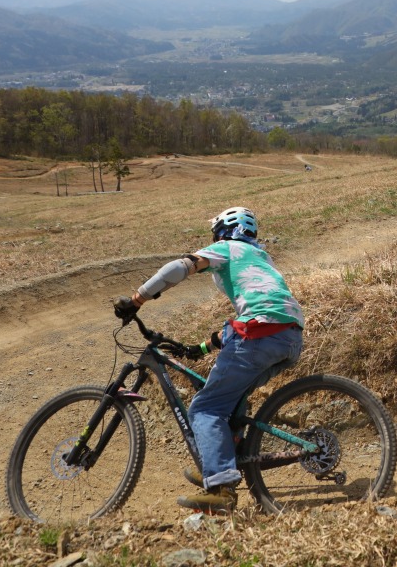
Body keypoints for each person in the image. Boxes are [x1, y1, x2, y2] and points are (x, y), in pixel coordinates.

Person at [113, 206, 304, 514]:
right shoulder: (260, 257)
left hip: (260, 333)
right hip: (289, 336)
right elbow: (249, 319)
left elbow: (178, 268)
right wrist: (199, 349)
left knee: (206, 408)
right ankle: (221, 461)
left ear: (224, 231)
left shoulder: (227, 247)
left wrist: (137, 300)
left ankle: (221, 488)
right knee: (230, 400)